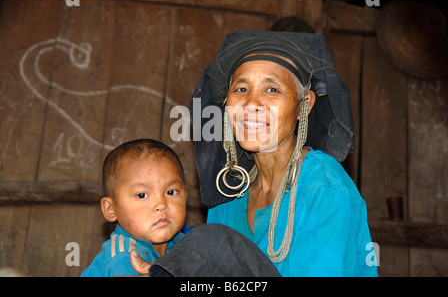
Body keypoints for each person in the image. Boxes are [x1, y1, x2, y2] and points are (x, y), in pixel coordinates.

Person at [130, 31, 378, 277]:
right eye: (240, 89)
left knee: (208, 241)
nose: (251, 104)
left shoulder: (322, 186)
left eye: (271, 89)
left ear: (305, 105)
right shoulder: (229, 194)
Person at [81, 138, 188, 277]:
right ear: (110, 209)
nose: (161, 205)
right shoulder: (126, 255)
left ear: (185, 197)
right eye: (142, 195)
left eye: (171, 192)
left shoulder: (185, 244)